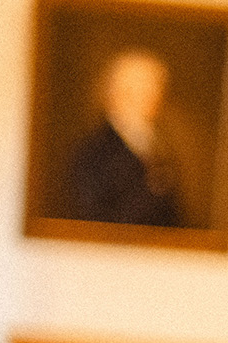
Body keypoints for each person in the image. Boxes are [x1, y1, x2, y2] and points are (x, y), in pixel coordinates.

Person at [65, 48, 184, 227]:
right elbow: (96, 219)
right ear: (119, 92)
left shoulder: (160, 144)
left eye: (156, 87)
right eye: (144, 88)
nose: (154, 96)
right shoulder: (93, 150)